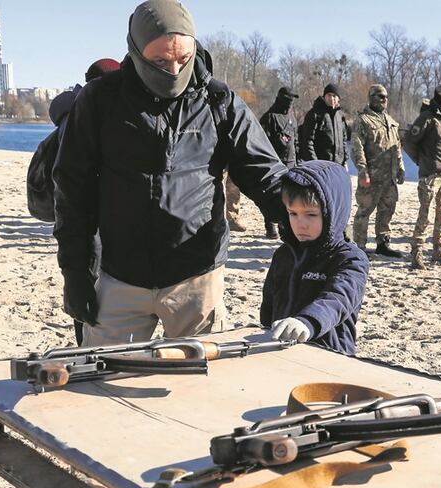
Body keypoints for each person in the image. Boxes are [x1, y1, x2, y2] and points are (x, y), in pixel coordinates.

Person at [53, 0, 287, 346]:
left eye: (183, 59)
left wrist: (306, 218)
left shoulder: (219, 101)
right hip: (120, 277)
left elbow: (264, 172)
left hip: (196, 278)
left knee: (198, 388)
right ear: (135, 51)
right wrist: (75, 273)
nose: (174, 71)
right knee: (102, 382)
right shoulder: (100, 100)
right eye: (160, 61)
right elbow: (73, 190)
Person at [28, 59, 120, 347]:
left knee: (85, 286)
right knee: (91, 288)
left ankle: (84, 342)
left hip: (74, 222)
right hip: (89, 224)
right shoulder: (94, 115)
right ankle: (86, 347)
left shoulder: (74, 113)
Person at [260, 161, 369, 354]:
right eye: (293, 213)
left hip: (328, 355)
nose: (300, 224)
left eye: (311, 214)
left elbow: (338, 299)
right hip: (282, 352)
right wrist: (266, 328)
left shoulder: (350, 259)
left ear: (333, 212)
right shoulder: (284, 254)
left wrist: (307, 322)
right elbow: (269, 301)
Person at [402, 83, 441, 269]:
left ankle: (437, 249)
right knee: (424, 215)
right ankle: (417, 252)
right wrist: (421, 160)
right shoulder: (427, 117)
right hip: (430, 176)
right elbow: (409, 141)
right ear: (438, 97)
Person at [350, 84, 406, 258]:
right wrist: (362, 171)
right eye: (380, 96)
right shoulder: (363, 120)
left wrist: (401, 167)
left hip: (389, 177)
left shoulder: (390, 121)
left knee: (387, 209)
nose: (384, 99)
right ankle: (359, 246)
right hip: (371, 176)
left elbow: (397, 147)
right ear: (371, 97)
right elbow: (357, 148)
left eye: (386, 97)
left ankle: (383, 243)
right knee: (364, 211)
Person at [259, 86, 300, 239]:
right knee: (273, 197)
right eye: (288, 99)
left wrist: (298, 159)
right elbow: (262, 143)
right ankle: (270, 227)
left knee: (289, 198)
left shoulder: (291, 117)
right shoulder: (269, 117)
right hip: (274, 164)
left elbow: (295, 140)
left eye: (292, 100)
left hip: (291, 163)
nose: (290, 103)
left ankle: (285, 227)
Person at [298, 84, 348, 165]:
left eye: (334, 96)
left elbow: (344, 141)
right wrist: (315, 163)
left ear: (338, 98)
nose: (332, 98)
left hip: (338, 165)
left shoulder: (340, 115)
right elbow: (307, 141)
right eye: (329, 95)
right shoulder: (314, 114)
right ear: (324, 97)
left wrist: (345, 160)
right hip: (320, 165)